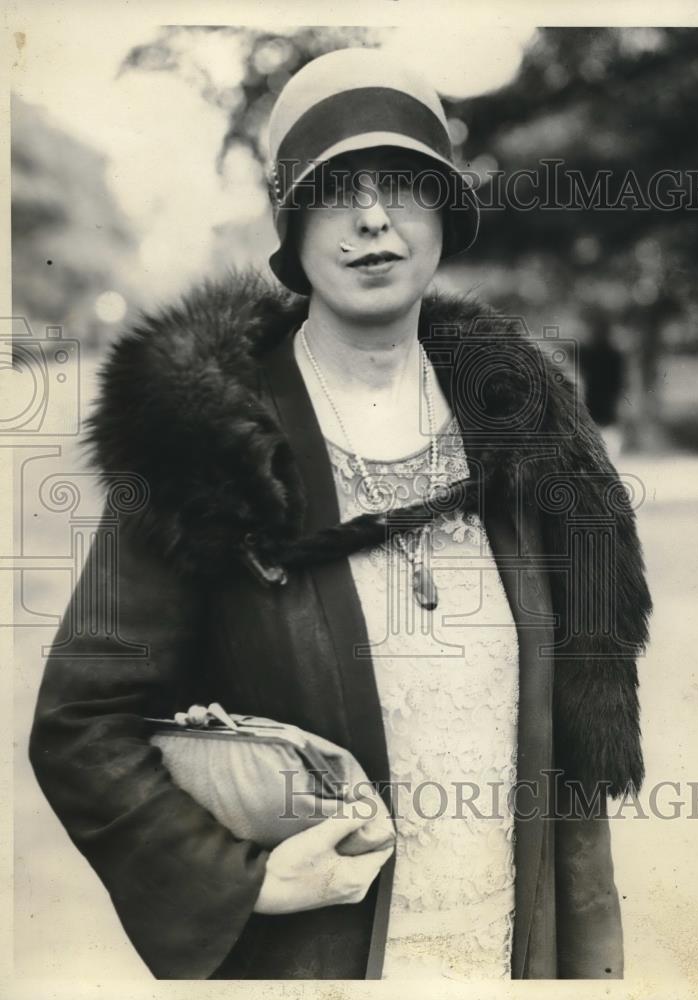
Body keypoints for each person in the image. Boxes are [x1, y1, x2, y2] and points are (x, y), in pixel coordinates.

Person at [28, 47, 652, 980]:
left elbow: (571, 759)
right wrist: (243, 884)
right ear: (291, 220)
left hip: (506, 952)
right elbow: (80, 724)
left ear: (442, 210)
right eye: (334, 190)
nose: (370, 218)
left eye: (402, 185)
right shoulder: (209, 443)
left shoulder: (523, 432)